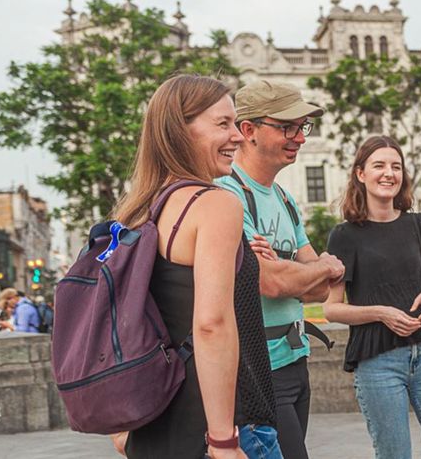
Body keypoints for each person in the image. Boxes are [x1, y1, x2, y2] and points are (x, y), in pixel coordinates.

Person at [116, 74, 279, 459]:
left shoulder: (140, 209)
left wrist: (120, 423)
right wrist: (224, 440)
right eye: (222, 124)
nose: (238, 136)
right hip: (221, 423)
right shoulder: (215, 204)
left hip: (155, 422)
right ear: (178, 130)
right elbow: (211, 324)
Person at [216, 80, 344, 459]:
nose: (299, 138)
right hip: (256, 369)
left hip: (294, 360)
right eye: (287, 127)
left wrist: (309, 269)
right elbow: (269, 282)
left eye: (302, 127)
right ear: (248, 130)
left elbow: (320, 291)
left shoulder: (285, 199)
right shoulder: (228, 194)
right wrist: (316, 267)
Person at [323, 135, 421, 459]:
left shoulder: (419, 225)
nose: (389, 173)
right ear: (360, 173)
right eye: (379, 165)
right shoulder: (343, 235)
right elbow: (331, 309)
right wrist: (380, 313)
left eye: (396, 166)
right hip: (378, 363)